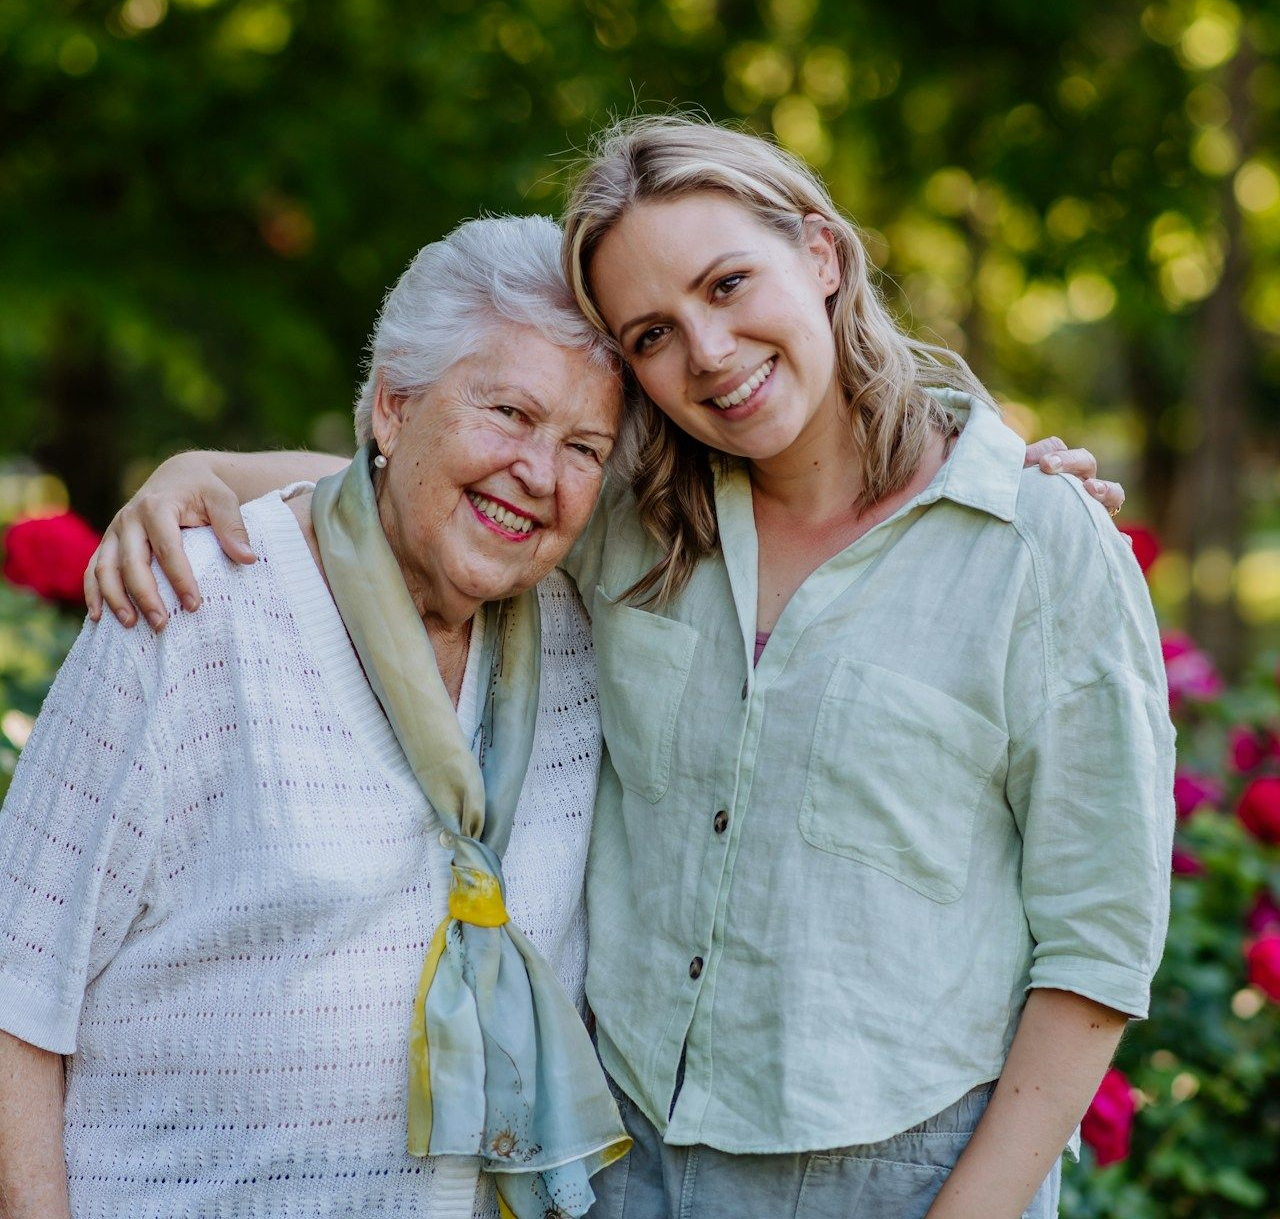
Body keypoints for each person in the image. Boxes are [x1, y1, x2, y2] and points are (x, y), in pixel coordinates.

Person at [80, 118, 1157, 1219]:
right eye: (651, 333)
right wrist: (199, 468)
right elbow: (419, 479)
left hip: (899, 1174)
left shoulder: (1034, 547)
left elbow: (1097, 944)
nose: (709, 350)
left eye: (728, 283)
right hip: (624, 1162)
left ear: (821, 255)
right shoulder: (635, 517)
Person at [0, 215, 631, 1219]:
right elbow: (13, 990)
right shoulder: (191, 608)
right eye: (508, 412)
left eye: (583, 445)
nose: (541, 473)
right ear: (391, 405)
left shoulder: (581, 641)